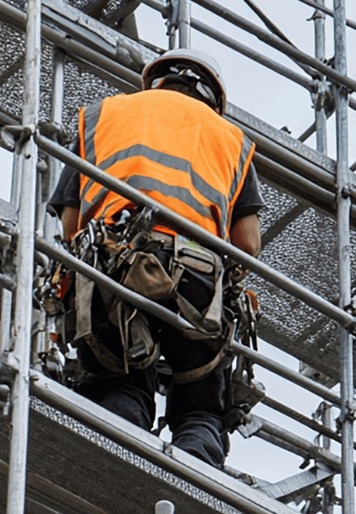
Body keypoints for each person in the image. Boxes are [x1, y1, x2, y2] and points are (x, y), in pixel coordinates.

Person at [50, 49, 264, 468]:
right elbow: (248, 245)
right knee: (200, 406)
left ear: (156, 81)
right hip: (199, 272)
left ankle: (113, 454)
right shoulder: (231, 139)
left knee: (118, 382)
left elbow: (71, 224)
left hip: (115, 260)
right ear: (212, 96)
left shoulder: (103, 117)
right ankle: (193, 468)